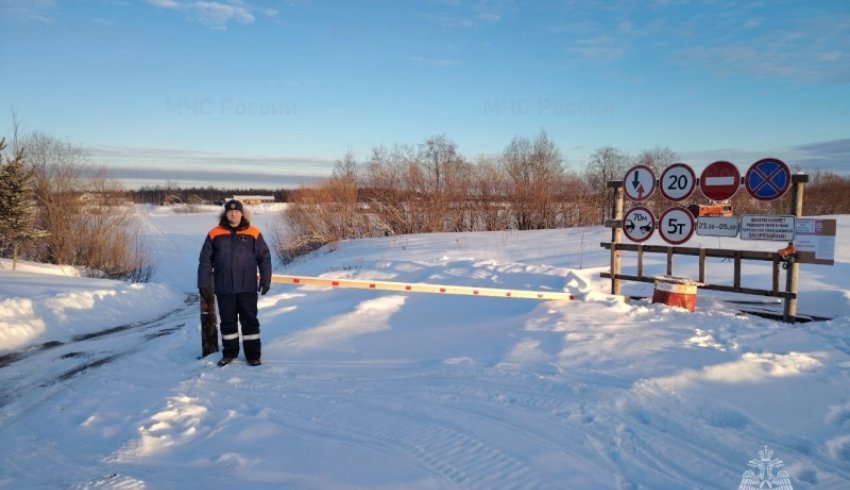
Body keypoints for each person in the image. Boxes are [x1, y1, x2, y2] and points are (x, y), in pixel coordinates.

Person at [198, 199, 272, 366]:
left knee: (250, 321)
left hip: (247, 287)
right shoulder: (214, 233)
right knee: (228, 322)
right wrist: (203, 284)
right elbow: (205, 260)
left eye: (236, 211)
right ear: (225, 213)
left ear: (241, 213)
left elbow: (264, 258)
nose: (233, 213)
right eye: (230, 211)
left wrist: (265, 280)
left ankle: (253, 355)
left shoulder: (253, 232)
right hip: (224, 287)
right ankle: (230, 353)